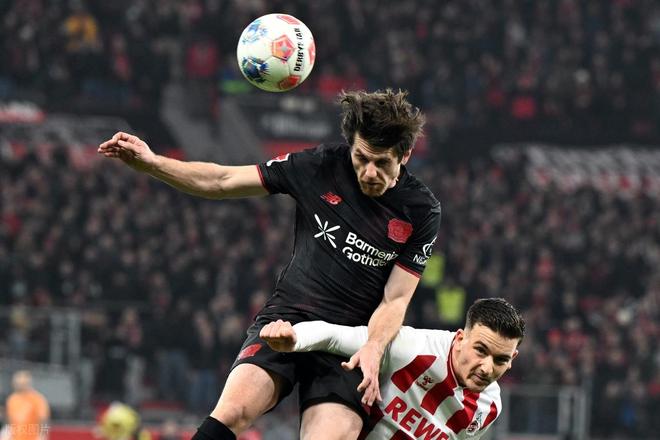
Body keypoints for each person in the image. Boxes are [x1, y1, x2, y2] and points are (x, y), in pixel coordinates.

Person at [98, 89, 441, 440]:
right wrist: (153, 163)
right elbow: (222, 180)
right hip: (288, 318)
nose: (369, 172)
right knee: (232, 412)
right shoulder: (320, 166)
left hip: (350, 342)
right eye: (361, 158)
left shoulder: (420, 210)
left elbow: (395, 299)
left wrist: (373, 348)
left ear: (405, 155)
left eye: (382, 163)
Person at [260, 298, 525, 439]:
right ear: (460, 338)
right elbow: (334, 336)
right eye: (480, 350)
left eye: (500, 360)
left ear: (512, 358)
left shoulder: (489, 408)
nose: (487, 368)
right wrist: (294, 338)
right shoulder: (412, 348)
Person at [4, 371, 50, 440]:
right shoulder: (12, 400)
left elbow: (43, 420)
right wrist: (7, 434)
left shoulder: (37, 399)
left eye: (22, 384)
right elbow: (10, 421)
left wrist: (42, 436)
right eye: (17, 383)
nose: (19, 386)